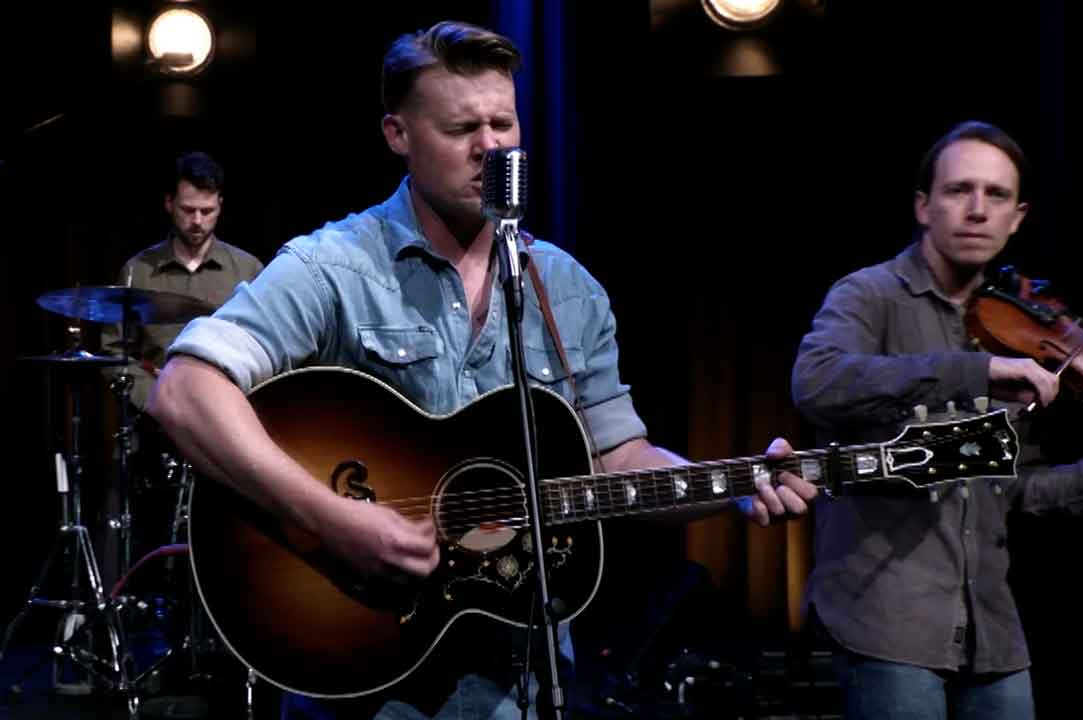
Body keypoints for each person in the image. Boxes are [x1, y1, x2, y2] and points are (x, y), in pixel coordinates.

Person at [146, 21, 816, 720]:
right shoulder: (333, 266)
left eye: (503, 123)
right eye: (462, 127)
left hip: (518, 665)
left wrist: (736, 487)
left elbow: (621, 460)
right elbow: (186, 389)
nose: (490, 147)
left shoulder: (568, 289)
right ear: (397, 135)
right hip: (361, 661)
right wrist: (331, 518)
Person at [790, 120, 1083, 719]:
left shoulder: (1019, 322)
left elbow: (1022, 490)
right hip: (884, 616)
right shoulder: (869, 295)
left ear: (1018, 217)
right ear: (924, 207)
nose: (977, 210)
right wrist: (974, 373)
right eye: (959, 191)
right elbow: (817, 381)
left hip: (992, 629)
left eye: (996, 196)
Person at [101, 150, 264, 410]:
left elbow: (266, 348)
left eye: (207, 211)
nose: (197, 221)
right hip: (157, 417)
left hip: (228, 415)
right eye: (188, 210)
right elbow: (116, 353)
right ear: (169, 203)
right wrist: (157, 401)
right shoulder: (138, 270)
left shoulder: (248, 270)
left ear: (220, 205)